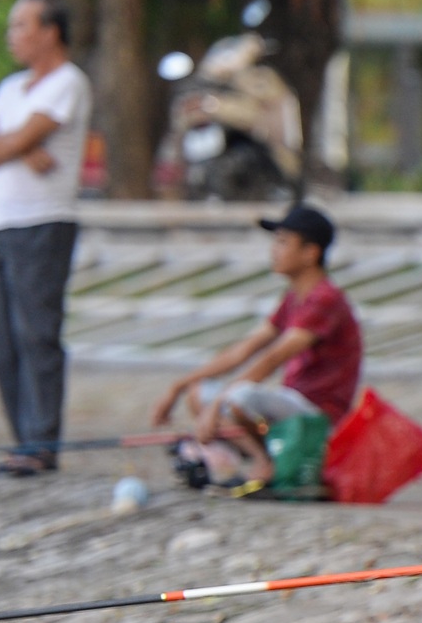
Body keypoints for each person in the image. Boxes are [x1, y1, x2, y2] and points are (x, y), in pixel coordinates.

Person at [0, 0, 92, 477]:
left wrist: (6, 146)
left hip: (43, 222)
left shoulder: (67, 83)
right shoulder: (11, 88)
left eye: (20, 26)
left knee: (36, 335)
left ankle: (41, 443)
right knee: (3, 341)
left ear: (49, 32)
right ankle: (22, 440)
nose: (12, 35)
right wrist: (12, 148)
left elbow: (6, 142)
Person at [151, 203, 361, 486]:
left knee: (240, 399)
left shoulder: (325, 300)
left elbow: (272, 358)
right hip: (289, 404)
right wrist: (179, 386)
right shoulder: (293, 299)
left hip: (318, 415)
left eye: (284, 242)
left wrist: (220, 404)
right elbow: (243, 350)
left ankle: (265, 464)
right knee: (199, 394)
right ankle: (246, 456)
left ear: (311, 253)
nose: (274, 250)